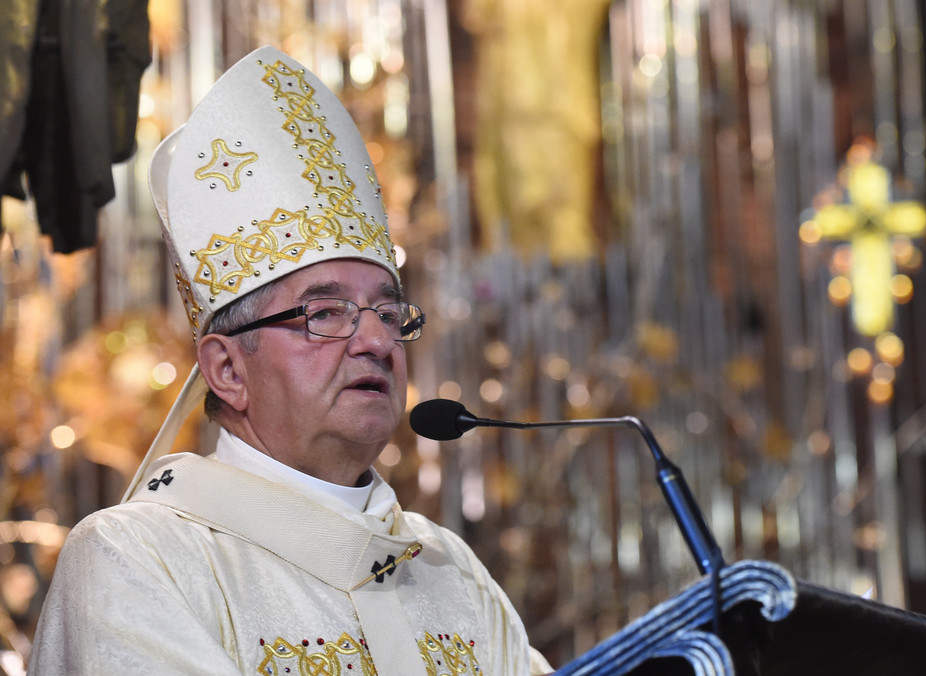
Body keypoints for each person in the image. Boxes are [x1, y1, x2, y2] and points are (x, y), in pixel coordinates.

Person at [28, 46, 553, 675]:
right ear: (225, 369)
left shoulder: (447, 568)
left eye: (388, 313)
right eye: (324, 315)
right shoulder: (139, 556)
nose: (376, 343)